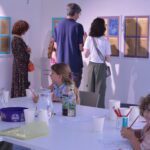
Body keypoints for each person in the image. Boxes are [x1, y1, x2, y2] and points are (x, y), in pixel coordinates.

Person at [53, 3, 84, 88]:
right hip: (74, 66)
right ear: (75, 13)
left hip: (60, 66)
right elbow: (80, 47)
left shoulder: (58, 26)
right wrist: (84, 39)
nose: (79, 16)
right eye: (79, 14)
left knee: (60, 94)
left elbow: (55, 46)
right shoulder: (78, 26)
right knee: (73, 95)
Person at [83, 17, 111, 108]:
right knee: (100, 91)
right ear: (103, 28)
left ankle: (89, 109)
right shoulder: (105, 40)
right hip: (101, 67)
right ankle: (99, 112)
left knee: (90, 90)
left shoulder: (89, 38)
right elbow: (108, 59)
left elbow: (86, 55)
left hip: (91, 66)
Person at [11, 20, 31, 98]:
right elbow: (21, 57)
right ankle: (19, 103)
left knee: (18, 85)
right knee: (20, 86)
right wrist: (28, 52)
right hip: (20, 69)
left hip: (18, 67)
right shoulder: (17, 40)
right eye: (25, 29)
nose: (25, 31)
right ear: (21, 29)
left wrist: (26, 51)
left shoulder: (16, 40)